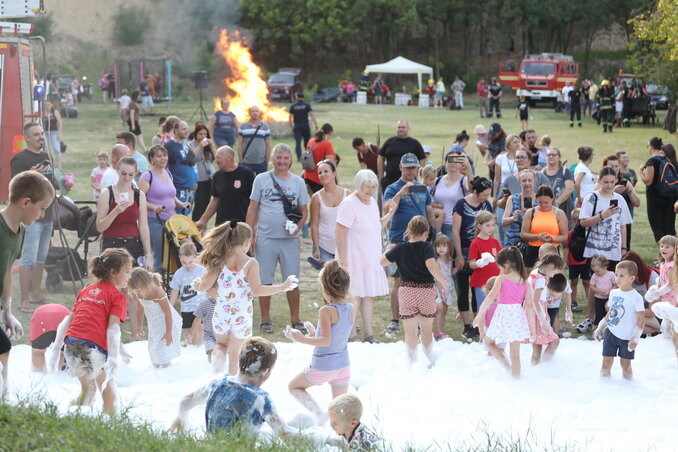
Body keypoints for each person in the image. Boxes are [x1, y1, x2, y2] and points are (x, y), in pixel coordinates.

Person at [195, 221, 296, 375]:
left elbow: (204, 286)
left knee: (221, 345)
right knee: (236, 354)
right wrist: (281, 287)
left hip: (222, 311)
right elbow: (257, 290)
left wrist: (197, 285)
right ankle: (231, 382)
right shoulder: (250, 263)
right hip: (241, 315)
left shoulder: (220, 259)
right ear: (247, 241)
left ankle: (216, 375)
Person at [49, 248, 133, 415]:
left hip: (71, 345)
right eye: (127, 271)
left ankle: (69, 417)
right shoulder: (117, 297)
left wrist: (56, 350)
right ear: (113, 272)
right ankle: (112, 430)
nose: (130, 276)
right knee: (110, 395)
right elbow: (113, 330)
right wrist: (114, 360)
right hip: (92, 347)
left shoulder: (85, 290)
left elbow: (68, 321)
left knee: (88, 392)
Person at [173, 337, 294, 436]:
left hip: (212, 446)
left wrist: (181, 420)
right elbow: (285, 434)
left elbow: (185, 401)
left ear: (240, 360)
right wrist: (311, 435)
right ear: (265, 371)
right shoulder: (260, 398)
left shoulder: (218, 381)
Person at [0, 171, 54, 393]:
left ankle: (5, 398)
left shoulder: (20, 231)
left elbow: (7, 272)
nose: (42, 215)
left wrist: (6, 310)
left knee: (4, 347)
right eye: (42, 208)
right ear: (26, 202)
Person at [246, 144, 308, 334]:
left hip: (288, 240)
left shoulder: (298, 182)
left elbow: (304, 211)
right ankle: (266, 319)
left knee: (292, 280)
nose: (282, 161)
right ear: (273, 159)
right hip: (265, 238)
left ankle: (296, 319)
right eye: (279, 158)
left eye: (285, 158)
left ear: (291, 160)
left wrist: (297, 227)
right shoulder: (261, 179)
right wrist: (249, 235)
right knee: (265, 280)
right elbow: (253, 208)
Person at [285, 260, 355, 424]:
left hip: (324, 365)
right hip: (343, 366)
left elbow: (325, 341)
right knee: (339, 408)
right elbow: (337, 336)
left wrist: (300, 338)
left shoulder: (326, 310)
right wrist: (313, 333)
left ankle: (319, 415)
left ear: (326, 288)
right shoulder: (351, 308)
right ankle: (342, 435)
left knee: (294, 387)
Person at [336, 170, 395, 343]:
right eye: (366, 187)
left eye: (373, 187)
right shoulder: (349, 204)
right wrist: (342, 261)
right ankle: (351, 335)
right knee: (353, 297)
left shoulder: (372, 203)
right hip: (353, 258)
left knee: (367, 295)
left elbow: (376, 226)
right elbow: (339, 233)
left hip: (369, 258)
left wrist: (390, 214)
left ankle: (369, 334)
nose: (369, 190)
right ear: (358, 185)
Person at [381, 216, 449, 366]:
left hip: (406, 291)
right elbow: (431, 266)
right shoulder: (427, 248)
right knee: (426, 328)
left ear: (409, 231)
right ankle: (429, 357)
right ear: (426, 232)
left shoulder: (400, 247)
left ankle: (411, 361)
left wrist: (388, 249)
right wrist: (442, 282)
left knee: (410, 331)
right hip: (425, 291)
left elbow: (382, 262)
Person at [382, 153, 435, 334]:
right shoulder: (392, 188)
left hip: (421, 240)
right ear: (401, 168)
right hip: (399, 238)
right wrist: (400, 193)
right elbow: (387, 209)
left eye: (414, 167)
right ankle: (395, 319)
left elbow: (429, 211)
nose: (411, 170)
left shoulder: (423, 188)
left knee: (419, 280)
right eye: (408, 167)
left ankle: (419, 318)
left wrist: (434, 234)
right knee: (399, 281)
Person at [10, 123, 58, 313]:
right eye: (36, 135)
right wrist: (31, 174)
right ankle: (24, 300)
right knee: (28, 259)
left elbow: (49, 183)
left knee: (41, 257)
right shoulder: (19, 159)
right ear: (27, 138)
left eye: (41, 134)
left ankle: (37, 293)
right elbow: (16, 188)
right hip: (31, 217)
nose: (41, 137)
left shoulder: (46, 157)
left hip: (47, 214)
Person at [473, 247, 535, 377]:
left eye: (500, 268)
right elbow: (529, 306)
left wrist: (479, 314)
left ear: (506, 266)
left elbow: (490, 297)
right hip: (517, 316)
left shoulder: (501, 279)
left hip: (503, 316)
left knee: (489, 342)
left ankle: (507, 367)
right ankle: (516, 378)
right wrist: (533, 330)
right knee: (515, 354)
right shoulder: (525, 282)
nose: (500, 271)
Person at [138, 145, 191, 272]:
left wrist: (181, 204)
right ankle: (156, 284)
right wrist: (154, 207)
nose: (163, 158)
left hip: (171, 221)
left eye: (165, 155)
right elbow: (139, 199)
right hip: (154, 220)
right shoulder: (147, 176)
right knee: (159, 255)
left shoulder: (168, 173)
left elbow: (171, 196)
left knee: (174, 253)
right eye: (159, 156)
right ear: (152, 159)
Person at [452, 177, 493, 339]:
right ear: (475, 192)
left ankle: (478, 323)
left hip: (481, 251)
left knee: (479, 287)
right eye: (484, 194)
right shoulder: (461, 204)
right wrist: (459, 255)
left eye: (489, 194)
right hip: (463, 249)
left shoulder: (486, 205)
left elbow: (490, 229)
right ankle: (467, 324)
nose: (486, 198)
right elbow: (455, 230)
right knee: (463, 289)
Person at [593, 261, 644, 380]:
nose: (617, 278)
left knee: (625, 366)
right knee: (606, 363)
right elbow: (610, 313)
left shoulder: (636, 297)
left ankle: (628, 388)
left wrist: (635, 338)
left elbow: (641, 319)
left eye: (622, 275)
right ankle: (604, 387)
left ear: (631, 278)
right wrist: (600, 328)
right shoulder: (613, 293)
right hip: (610, 333)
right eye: (616, 274)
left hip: (626, 337)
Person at [128, 267, 182, 368]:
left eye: (139, 291)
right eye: (135, 291)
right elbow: (140, 308)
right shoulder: (139, 292)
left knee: (162, 350)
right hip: (154, 324)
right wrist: (139, 327)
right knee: (153, 349)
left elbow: (168, 313)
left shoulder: (158, 292)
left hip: (167, 323)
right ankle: (156, 370)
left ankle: (166, 370)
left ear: (146, 285)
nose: (137, 294)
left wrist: (168, 333)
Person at [579, 166, 633, 268]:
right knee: (595, 281)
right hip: (594, 251)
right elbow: (583, 222)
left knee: (612, 280)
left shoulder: (620, 199)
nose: (609, 185)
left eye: (612, 182)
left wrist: (624, 248)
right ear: (599, 180)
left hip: (614, 251)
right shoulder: (591, 198)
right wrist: (602, 216)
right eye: (606, 182)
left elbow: (622, 225)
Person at [195, 146, 255, 230]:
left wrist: (253, 224)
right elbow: (215, 200)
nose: (215, 161)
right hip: (222, 225)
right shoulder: (217, 176)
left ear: (229, 158)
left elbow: (255, 202)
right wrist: (202, 221)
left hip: (242, 225)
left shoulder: (246, 174)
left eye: (218, 158)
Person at [309, 160, 349, 266]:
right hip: (324, 246)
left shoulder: (347, 194)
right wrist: (316, 249)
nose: (322, 175)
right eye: (320, 173)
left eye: (326, 171)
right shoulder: (316, 198)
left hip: (344, 245)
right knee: (329, 279)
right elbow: (314, 225)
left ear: (334, 173)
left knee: (345, 278)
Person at [520, 185, 569, 269]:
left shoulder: (559, 213)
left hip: (552, 250)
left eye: (546, 203)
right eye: (540, 202)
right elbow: (523, 234)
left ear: (552, 199)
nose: (543, 205)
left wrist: (551, 239)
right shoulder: (530, 212)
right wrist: (537, 237)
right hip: (533, 250)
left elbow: (564, 236)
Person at [527, 254, 563, 364]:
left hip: (531, 312)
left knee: (537, 347)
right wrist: (543, 321)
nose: (552, 276)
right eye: (554, 273)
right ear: (551, 267)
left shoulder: (535, 272)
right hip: (537, 313)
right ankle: (545, 366)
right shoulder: (541, 280)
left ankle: (536, 368)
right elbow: (536, 301)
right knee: (555, 341)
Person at [639, 139, 677, 243]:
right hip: (670, 196)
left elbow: (648, 181)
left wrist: (640, 171)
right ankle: (674, 255)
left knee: (657, 228)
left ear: (650, 146)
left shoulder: (652, 161)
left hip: (655, 198)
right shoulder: (668, 159)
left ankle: (663, 256)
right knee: (669, 227)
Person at [377, 121, 426, 192]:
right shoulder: (389, 142)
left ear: (408, 128)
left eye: (403, 127)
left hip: (410, 183)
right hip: (389, 182)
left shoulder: (414, 143)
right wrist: (381, 176)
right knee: (389, 202)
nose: (401, 129)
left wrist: (418, 176)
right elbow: (380, 157)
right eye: (399, 127)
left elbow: (422, 159)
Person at [168, 242, 206, 332]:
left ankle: (200, 345)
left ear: (195, 258)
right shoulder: (179, 273)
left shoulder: (202, 271)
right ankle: (192, 345)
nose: (187, 265)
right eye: (184, 262)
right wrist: (170, 307)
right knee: (191, 330)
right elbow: (175, 291)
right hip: (186, 308)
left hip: (200, 306)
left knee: (201, 330)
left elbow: (209, 286)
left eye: (190, 262)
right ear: (179, 258)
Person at [433, 152, 471, 239]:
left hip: (453, 227)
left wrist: (468, 168)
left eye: (456, 160)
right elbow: (422, 190)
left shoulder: (464, 180)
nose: (453, 163)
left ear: (461, 164)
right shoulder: (437, 180)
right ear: (445, 163)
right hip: (436, 224)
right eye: (450, 160)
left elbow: (471, 189)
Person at [469, 210, 501, 312]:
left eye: (492, 225)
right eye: (487, 225)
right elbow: (471, 264)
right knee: (483, 310)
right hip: (481, 283)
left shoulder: (494, 241)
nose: (491, 228)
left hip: (495, 281)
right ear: (479, 226)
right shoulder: (475, 243)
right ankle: (481, 328)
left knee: (495, 309)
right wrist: (480, 263)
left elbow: (500, 258)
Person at [165, 120, 197, 215]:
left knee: (186, 215)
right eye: (183, 129)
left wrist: (195, 180)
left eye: (187, 129)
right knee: (179, 216)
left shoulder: (186, 145)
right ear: (175, 130)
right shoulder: (169, 146)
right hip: (179, 187)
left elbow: (191, 163)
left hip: (190, 188)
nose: (186, 131)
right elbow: (163, 166)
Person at [30, 303, 70, 373]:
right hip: (64, 316)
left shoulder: (38, 313)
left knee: (37, 352)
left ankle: (39, 376)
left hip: (41, 317)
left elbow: (32, 338)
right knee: (64, 352)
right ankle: (61, 376)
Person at [188, 124, 216, 221]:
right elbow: (190, 160)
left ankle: (203, 226)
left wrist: (212, 146)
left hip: (209, 177)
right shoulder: (190, 145)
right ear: (195, 134)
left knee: (207, 204)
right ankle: (195, 224)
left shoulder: (208, 145)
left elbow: (216, 158)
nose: (203, 136)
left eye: (205, 134)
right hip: (198, 179)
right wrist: (200, 147)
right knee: (199, 204)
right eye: (201, 134)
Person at [564, 209, 589, 315]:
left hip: (586, 261)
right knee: (574, 281)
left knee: (587, 282)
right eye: (577, 221)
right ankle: (573, 302)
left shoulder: (588, 234)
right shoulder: (570, 234)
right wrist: (565, 261)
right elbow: (566, 248)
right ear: (573, 221)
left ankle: (590, 302)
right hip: (573, 262)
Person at [542, 147, 575, 225]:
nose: (551, 157)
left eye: (553, 155)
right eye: (549, 155)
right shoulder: (542, 173)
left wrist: (556, 203)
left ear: (559, 157)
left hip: (565, 211)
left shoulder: (565, 171)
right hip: (547, 212)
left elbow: (569, 190)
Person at [237, 105, 271, 175]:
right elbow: (239, 145)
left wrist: (266, 161)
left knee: (262, 184)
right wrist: (241, 160)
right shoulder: (243, 127)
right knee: (247, 183)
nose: (255, 113)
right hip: (247, 162)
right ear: (249, 113)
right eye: (252, 111)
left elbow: (269, 145)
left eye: (257, 111)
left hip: (261, 162)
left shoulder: (265, 127)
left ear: (259, 113)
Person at [188, 282, 218, 359]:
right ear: (210, 289)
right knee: (212, 355)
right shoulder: (204, 304)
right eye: (218, 292)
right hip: (209, 336)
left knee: (222, 356)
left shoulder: (225, 304)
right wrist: (191, 334)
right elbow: (197, 319)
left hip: (223, 336)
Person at [303, 124, 336, 193]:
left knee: (313, 201)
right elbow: (331, 164)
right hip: (319, 179)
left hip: (307, 177)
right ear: (330, 133)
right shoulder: (327, 144)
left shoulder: (311, 141)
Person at [433, 234, 454, 339]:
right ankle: (437, 331)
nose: (441, 248)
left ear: (449, 247)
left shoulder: (449, 260)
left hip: (447, 287)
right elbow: (437, 278)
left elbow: (449, 274)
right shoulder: (437, 261)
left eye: (444, 246)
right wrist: (441, 292)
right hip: (438, 288)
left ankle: (441, 330)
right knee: (440, 308)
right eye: (438, 246)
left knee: (445, 308)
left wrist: (458, 267)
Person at [288, 92, 318, 161]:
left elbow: (290, 118)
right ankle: (307, 156)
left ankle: (299, 157)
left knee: (298, 143)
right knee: (307, 142)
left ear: (297, 97)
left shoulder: (293, 106)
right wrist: (316, 124)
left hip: (297, 126)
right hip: (305, 125)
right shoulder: (307, 105)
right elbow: (311, 115)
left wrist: (291, 126)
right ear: (303, 98)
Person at [42, 99, 63, 169]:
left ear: (52, 105)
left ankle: (59, 166)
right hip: (45, 133)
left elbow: (59, 123)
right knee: (47, 150)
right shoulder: (43, 113)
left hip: (54, 132)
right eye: (46, 104)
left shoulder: (55, 112)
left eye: (49, 104)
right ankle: (49, 166)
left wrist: (59, 133)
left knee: (57, 149)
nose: (47, 106)